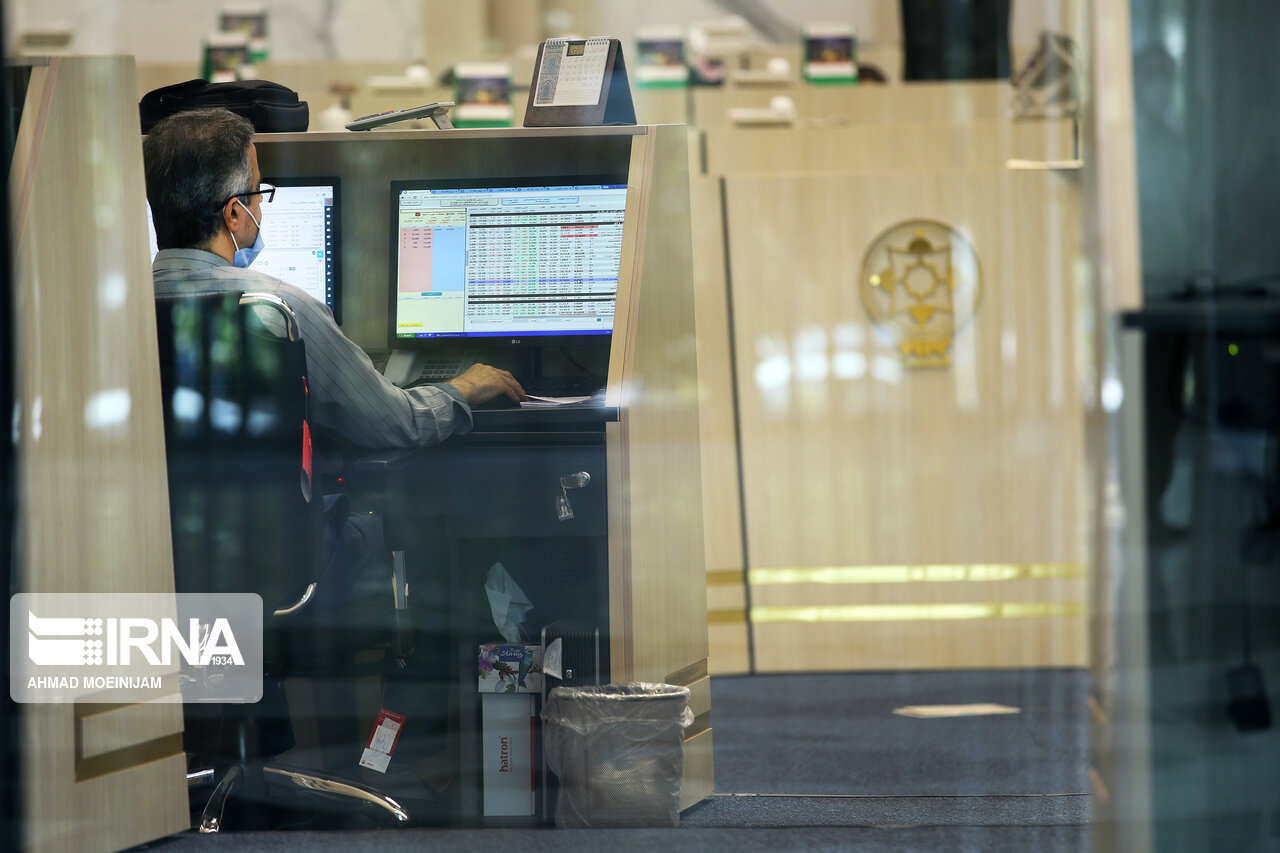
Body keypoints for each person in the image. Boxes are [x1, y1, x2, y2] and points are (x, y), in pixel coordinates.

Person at [144, 107, 525, 450]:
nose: (260, 205)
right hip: (269, 508)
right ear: (233, 214)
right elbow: (394, 424)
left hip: (154, 509)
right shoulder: (282, 310)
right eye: (258, 193)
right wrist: (464, 387)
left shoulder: (120, 313)